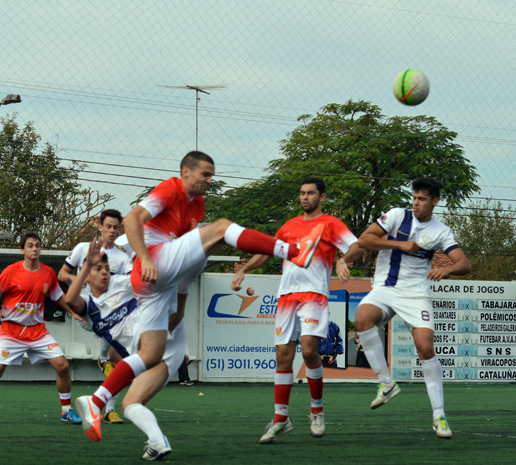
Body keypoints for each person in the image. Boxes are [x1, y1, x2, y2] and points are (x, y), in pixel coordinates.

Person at [75, 151, 324, 458]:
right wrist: (147, 258)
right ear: (185, 172)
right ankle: (294, 250)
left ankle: (99, 402)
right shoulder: (171, 188)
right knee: (220, 228)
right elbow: (132, 220)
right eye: (205, 174)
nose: (210, 180)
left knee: (151, 355)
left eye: (211, 174)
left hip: (158, 286)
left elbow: (186, 264)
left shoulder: (198, 206)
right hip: (152, 266)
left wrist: (180, 308)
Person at [232, 177, 363, 443]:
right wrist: (244, 269)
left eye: (311, 193)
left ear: (322, 197)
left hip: (314, 295)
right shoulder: (289, 226)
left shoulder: (331, 224)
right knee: (283, 356)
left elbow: (357, 247)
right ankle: (281, 418)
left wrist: (343, 259)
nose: (305, 197)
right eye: (302, 193)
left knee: (310, 350)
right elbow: (268, 251)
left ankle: (317, 411)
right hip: (286, 297)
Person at [355, 178, 470, 439]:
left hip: (416, 293)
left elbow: (465, 264)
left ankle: (439, 415)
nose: (415, 203)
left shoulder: (441, 231)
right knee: (362, 318)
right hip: (385, 288)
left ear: (435, 202)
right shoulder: (397, 215)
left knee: (426, 348)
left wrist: (447, 268)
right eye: (414, 198)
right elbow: (365, 240)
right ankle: (386, 384)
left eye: (422, 199)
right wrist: (398, 243)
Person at [65, 239, 189, 461]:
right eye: (97, 268)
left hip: (159, 337)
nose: (105, 272)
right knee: (130, 404)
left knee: (160, 284)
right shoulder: (88, 305)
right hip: (158, 354)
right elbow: (69, 300)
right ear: (87, 276)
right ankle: (157, 441)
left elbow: (149, 280)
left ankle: (96, 401)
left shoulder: (122, 282)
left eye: (106, 268)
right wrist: (84, 266)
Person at [0, 232, 82, 425]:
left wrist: (74, 312)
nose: (35, 248)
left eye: (37, 245)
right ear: (22, 250)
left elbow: (58, 297)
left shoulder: (48, 273)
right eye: (30, 245)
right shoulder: (11, 271)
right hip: (11, 332)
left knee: (63, 366)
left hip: (38, 332)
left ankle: (66, 411)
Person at [57, 209, 131, 424]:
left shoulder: (122, 258)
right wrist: (79, 277)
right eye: (108, 226)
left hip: (107, 313)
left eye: (116, 227)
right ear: (99, 226)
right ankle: (103, 356)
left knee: (122, 363)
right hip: (84, 312)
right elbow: (61, 274)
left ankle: (109, 410)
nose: (112, 231)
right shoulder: (83, 249)